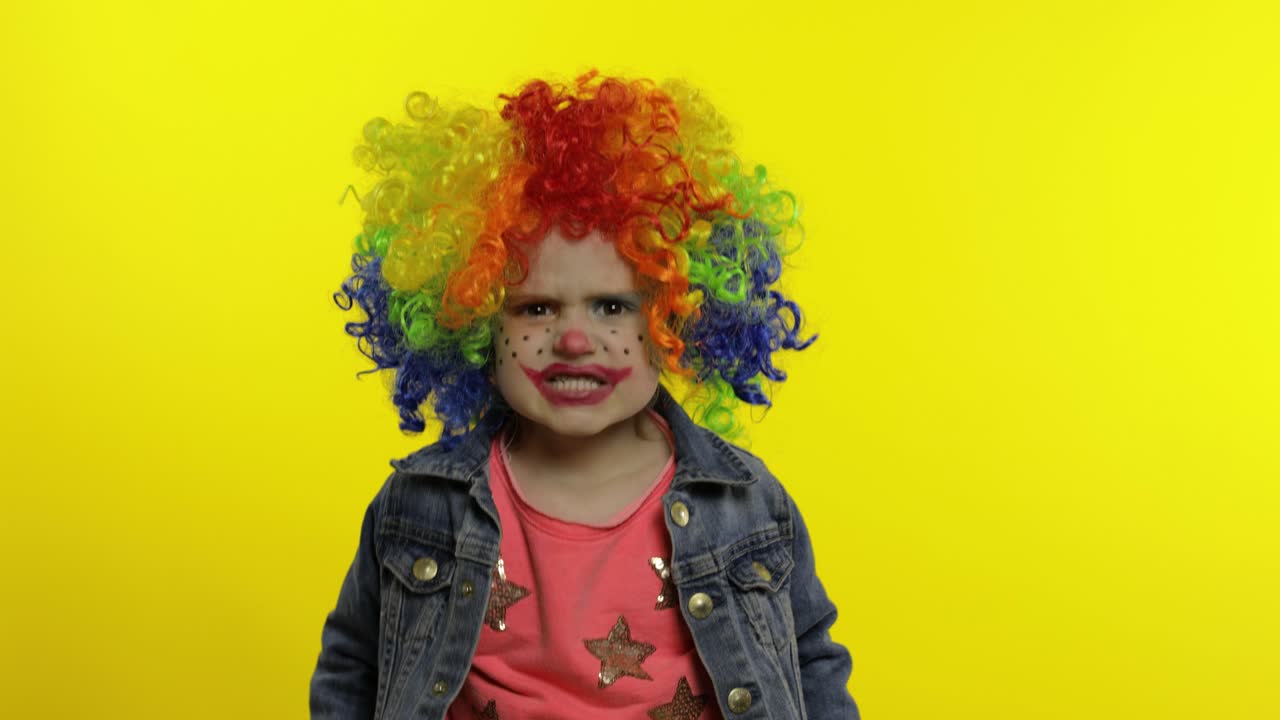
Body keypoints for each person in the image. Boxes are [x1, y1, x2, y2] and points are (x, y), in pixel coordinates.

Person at [313, 70, 860, 719]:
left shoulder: (746, 504)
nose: (574, 339)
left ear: (676, 317)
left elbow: (810, 659)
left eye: (611, 306)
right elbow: (355, 663)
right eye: (537, 308)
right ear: (473, 322)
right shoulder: (421, 505)